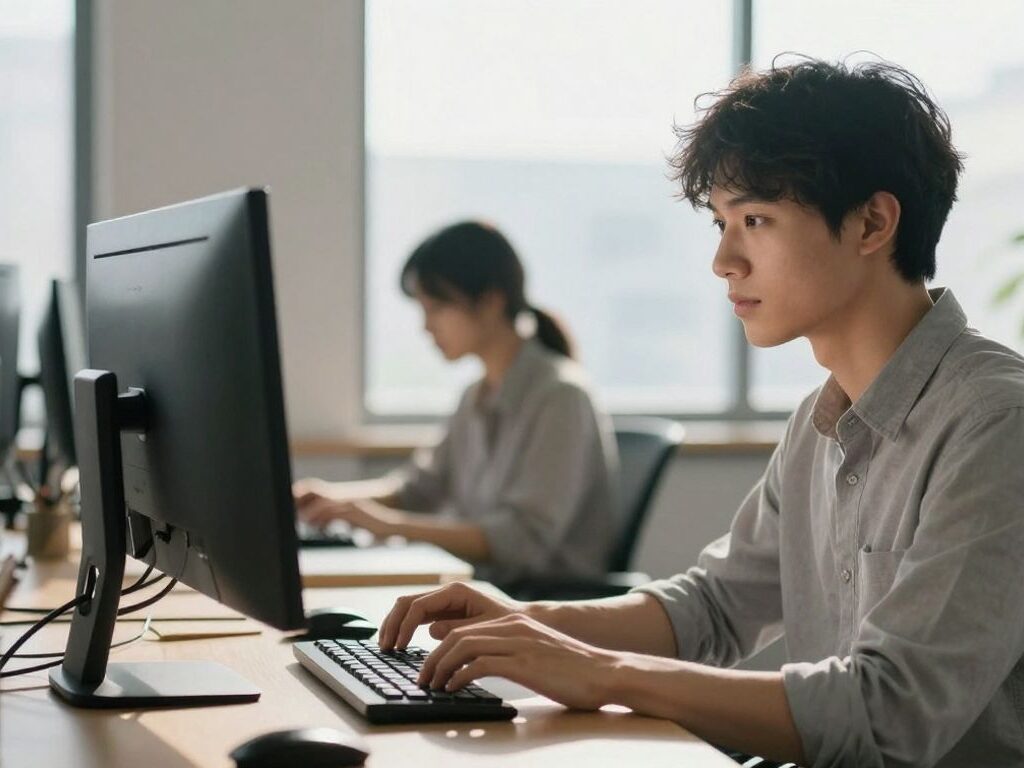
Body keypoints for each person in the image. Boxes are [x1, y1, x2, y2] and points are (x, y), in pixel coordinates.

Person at [374, 58, 1024, 768]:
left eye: (754, 219)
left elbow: (888, 711)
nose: (722, 259)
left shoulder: (996, 421)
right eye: (720, 222)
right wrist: (524, 622)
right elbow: (713, 608)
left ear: (872, 223)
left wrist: (606, 674)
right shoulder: (821, 420)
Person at [294, 221, 617, 586]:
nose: (426, 327)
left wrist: (389, 525)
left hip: (538, 603)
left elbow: (521, 540)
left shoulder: (561, 396)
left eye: (436, 308)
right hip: (484, 589)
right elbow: (419, 489)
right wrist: (333, 499)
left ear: (491, 302)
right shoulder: (476, 395)